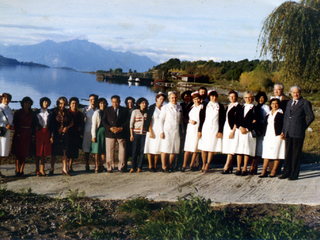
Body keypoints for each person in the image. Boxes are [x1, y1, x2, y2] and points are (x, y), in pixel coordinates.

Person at [279, 85, 314, 180]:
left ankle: (294, 174)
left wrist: (303, 127)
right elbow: (286, 118)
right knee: (287, 153)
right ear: (290, 93)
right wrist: (283, 131)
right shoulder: (289, 102)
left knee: (296, 154)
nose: (295, 94)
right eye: (293, 92)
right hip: (288, 132)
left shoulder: (305, 103)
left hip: (298, 132)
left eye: (297, 92)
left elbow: (310, 116)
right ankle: (286, 172)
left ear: (300, 92)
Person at [198, 90, 225, 173]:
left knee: (211, 147)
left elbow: (222, 120)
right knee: (204, 147)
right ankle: (203, 163)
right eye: (212, 96)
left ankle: (208, 164)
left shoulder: (220, 106)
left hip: (215, 128)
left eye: (215, 96)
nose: (214, 98)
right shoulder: (205, 105)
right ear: (209, 97)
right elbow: (201, 118)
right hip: (206, 128)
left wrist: (220, 131)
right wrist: (199, 130)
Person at [259, 98, 285, 178]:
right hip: (268, 135)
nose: (274, 105)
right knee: (266, 153)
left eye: (276, 103)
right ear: (270, 105)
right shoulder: (268, 114)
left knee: (277, 152)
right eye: (273, 103)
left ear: (278, 104)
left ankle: (274, 170)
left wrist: (283, 132)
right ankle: (264, 170)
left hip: (277, 135)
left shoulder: (282, 113)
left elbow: (285, 124)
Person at [102, 95, 129, 172]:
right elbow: (104, 121)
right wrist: (110, 128)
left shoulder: (124, 110)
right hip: (110, 133)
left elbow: (127, 121)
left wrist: (121, 128)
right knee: (110, 151)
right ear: (111, 102)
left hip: (121, 133)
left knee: (122, 151)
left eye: (116, 102)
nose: (115, 104)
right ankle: (110, 167)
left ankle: (121, 167)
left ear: (119, 102)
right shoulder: (107, 110)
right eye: (113, 102)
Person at [12, 96, 37, 177]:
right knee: (17, 153)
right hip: (19, 134)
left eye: (29, 103)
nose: (27, 104)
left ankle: (22, 169)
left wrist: (33, 135)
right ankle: (17, 169)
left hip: (28, 134)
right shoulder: (18, 112)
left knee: (25, 153)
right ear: (23, 103)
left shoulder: (32, 114)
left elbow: (34, 125)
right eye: (26, 103)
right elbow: (14, 123)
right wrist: (17, 132)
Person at [235, 91, 258, 176]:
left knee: (246, 150)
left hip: (249, 132)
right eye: (246, 97)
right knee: (239, 150)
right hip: (240, 132)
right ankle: (238, 168)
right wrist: (240, 127)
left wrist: (247, 128)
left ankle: (245, 168)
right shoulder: (241, 108)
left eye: (250, 97)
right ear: (244, 98)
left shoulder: (255, 109)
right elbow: (236, 119)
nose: (248, 99)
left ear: (252, 98)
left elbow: (256, 121)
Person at [159, 91, 183, 172]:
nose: (174, 99)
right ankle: (163, 166)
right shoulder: (165, 107)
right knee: (165, 148)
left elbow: (180, 121)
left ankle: (169, 165)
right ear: (169, 99)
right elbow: (161, 120)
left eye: (175, 97)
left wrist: (181, 131)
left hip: (176, 131)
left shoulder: (179, 107)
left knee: (175, 149)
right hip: (167, 131)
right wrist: (161, 131)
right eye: (172, 98)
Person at [51, 97, 74, 176]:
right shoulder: (53, 112)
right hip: (55, 134)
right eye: (60, 103)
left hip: (65, 134)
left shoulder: (68, 112)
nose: (62, 105)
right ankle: (52, 169)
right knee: (54, 152)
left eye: (64, 104)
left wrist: (67, 127)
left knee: (64, 152)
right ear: (57, 103)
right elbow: (50, 123)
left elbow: (72, 122)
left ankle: (64, 169)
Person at [144, 92, 166, 172]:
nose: (161, 100)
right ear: (156, 98)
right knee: (150, 148)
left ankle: (155, 165)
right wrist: (150, 131)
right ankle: (150, 166)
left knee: (158, 148)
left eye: (163, 99)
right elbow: (148, 120)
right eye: (160, 99)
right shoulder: (152, 107)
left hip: (160, 131)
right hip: (152, 130)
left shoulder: (164, 108)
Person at [181, 92, 202, 172]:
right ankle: (184, 165)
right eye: (194, 99)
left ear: (200, 99)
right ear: (192, 100)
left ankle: (191, 165)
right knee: (187, 148)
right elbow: (184, 118)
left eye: (198, 99)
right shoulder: (191, 107)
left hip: (197, 129)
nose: (196, 100)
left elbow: (203, 120)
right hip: (190, 129)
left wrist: (200, 130)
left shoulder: (202, 107)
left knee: (195, 148)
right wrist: (189, 121)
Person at [221, 90, 241, 174]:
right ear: (228, 97)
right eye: (230, 96)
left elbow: (237, 120)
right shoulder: (228, 106)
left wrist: (233, 130)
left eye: (234, 96)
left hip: (233, 128)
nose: (232, 98)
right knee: (228, 146)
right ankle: (230, 166)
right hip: (226, 127)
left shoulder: (238, 106)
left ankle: (226, 166)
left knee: (231, 147)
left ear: (236, 97)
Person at [250, 91, 270, 175]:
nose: (261, 99)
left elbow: (267, 119)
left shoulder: (266, 107)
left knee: (259, 149)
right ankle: (251, 166)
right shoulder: (255, 106)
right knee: (253, 148)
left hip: (262, 129)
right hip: (254, 129)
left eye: (262, 98)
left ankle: (256, 166)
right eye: (259, 98)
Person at [34, 97, 53, 177]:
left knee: (44, 152)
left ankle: (42, 169)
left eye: (48, 102)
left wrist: (52, 136)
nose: (46, 103)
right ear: (41, 102)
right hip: (38, 133)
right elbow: (33, 122)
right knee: (38, 151)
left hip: (47, 132)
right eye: (45, 102)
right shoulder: (36, 112)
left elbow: (52, 125)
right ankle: (37, 169)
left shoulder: (50, 113)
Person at [129, 97, 148, 172]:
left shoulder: (147, 112)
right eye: (143, 103)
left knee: (142, 151)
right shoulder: (135, 112)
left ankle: (139, 167)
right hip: (136, 133)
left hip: (144, 134)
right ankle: (133, 167)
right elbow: (131, 124)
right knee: (134, 151)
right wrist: (131, 135)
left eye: (145, 103)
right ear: (139, 104)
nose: (144, 104)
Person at [176, 90, 193, 171]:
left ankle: (188, 164)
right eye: (185, 96)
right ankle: (178, 163)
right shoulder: (181, 105)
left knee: (188, 146)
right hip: (182, 126)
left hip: (190, 127)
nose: (187, 98)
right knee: (181, 146)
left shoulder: (193, 105)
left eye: (188, 96)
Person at [67, 97, 84, 173]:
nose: (74, 105)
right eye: (73, 103)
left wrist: (80, 128)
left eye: (76, 103)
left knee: (73, 151)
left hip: (75, 134)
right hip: (67, 134)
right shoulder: (66, 112)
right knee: (66, 151)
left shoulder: (80, 114)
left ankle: (70, 167)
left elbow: (82, 123)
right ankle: (65, 167)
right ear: (70, 104)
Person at [91, 98, 108, 173]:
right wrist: (93, 136)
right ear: (98, 104)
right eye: (101, 103)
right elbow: (94, 125)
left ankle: (101, 165)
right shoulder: (97, 112)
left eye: (104, 103)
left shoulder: (107, 112)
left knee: (103, 150)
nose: (102, 105)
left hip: (106, 133)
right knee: (97, 151)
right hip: (98, 133)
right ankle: (96, 166)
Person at [82, 94, 98, 171]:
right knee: (86, 149)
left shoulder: (98, 109)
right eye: (91, 99)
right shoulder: (86, 109)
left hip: (96, 131)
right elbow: (82, 119)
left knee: (96, 149)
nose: (92, 101)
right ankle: (87, 164)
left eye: (94, 99)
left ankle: (96, 165)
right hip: (87, 131)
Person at [0, 93, 14, 178]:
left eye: (8, 98)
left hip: (6, 133)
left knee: (2, 153)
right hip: (1, 133)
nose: (6, 100)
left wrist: (11, 125)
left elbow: (10, 120)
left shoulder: (9, 109)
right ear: (1, 99)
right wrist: (4, 125)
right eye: (4, 98)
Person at [124, 96, 135, 172]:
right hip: (125, 132)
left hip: (134, 131)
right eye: (128, 103)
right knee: (125, 149)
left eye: (131, 102)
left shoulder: (136, 110)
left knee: (134, 149)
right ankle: (124, 165)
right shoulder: (124, 110)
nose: (130, 104)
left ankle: (134, 165)